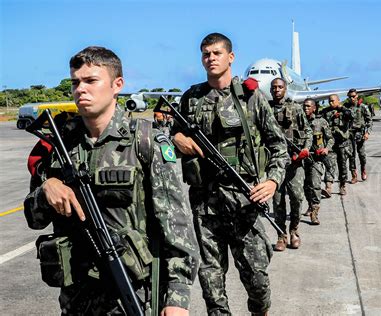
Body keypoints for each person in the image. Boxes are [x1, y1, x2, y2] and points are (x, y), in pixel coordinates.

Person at [23, 46, 199, 315]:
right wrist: (47, 188)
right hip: (77, 299)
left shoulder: (147, 141)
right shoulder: (60, 144)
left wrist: (177, 299)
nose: (81, 89)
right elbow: (33, 218)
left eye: (91, 80)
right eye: (75, 82)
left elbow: (177, 228)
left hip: (134, 293)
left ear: (117, 85)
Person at [171, 33, 288, 316]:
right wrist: (175, 138)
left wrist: (272, 181)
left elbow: (278, 146)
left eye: (216, 53)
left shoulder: (251, 97)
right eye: (205, 54)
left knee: (257, 278)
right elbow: (167, 135)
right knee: (211, 280)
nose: (210, 58)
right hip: (205, 203)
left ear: (230, 57)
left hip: (246, 202)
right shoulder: (191, 99)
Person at [268, 78, 312, 251]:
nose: (277, 90)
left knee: (296, 197)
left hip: (295, 162)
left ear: (285, 89)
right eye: (274, 88)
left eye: (280, 87)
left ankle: (294, 231)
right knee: (278, 201)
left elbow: (307, 131)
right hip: (275, 164)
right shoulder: (266, 109)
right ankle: (281, 235)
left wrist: (306, 149)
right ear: (271, 90)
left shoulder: (295, 108)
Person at [301, 98, 334, 225]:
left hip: (317, 159)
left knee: (315, 185)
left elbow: (330, 138)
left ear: (314, 108)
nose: (306, 109)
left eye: (308, 106)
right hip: (303, 159)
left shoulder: (321, 122)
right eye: (304, 106)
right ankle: (310, 204)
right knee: (305, 186)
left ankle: (315, 212)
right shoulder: (299, 121)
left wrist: (326, 148)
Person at [320, 94, 353, 195]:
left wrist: (341, 109)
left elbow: (350, 116)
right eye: (329, 101)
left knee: (342, 166)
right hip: (331, 144)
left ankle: (342, 185)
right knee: (330, 166)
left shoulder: (345, 111)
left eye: (333, 101)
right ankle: (328, 187)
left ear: (338, 101)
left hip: (343, 143)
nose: (331, 103)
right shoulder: (325, 112)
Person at [344, 89, 372, 183]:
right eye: (350, 96)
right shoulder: (345, 107)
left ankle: (363, 169)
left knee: (362, 154)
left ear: (357, 96)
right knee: (351, 155)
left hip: (360, 133)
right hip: (349, 134)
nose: (351, 98)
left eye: (353, 96)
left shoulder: (363, 107)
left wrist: (367, 132)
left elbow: (369, 121)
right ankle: (354, 175)